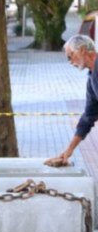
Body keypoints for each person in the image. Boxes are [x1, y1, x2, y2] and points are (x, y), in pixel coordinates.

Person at [46, 35, 98, 167]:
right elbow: (88, 116)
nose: (70, 61)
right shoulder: (92, 79)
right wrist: (69, 150)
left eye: (70, 56)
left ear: (82, 50)